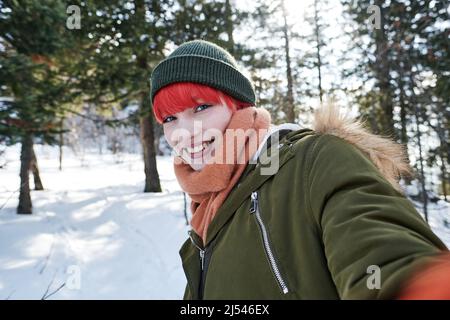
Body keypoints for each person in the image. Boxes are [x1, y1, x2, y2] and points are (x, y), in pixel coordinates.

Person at [150, 39, 449, 299]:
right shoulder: (206, 216)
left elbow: (385, 258)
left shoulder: (314, 161)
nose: (184, 133)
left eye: (201, 108)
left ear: (239, 106)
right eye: (169, 119)